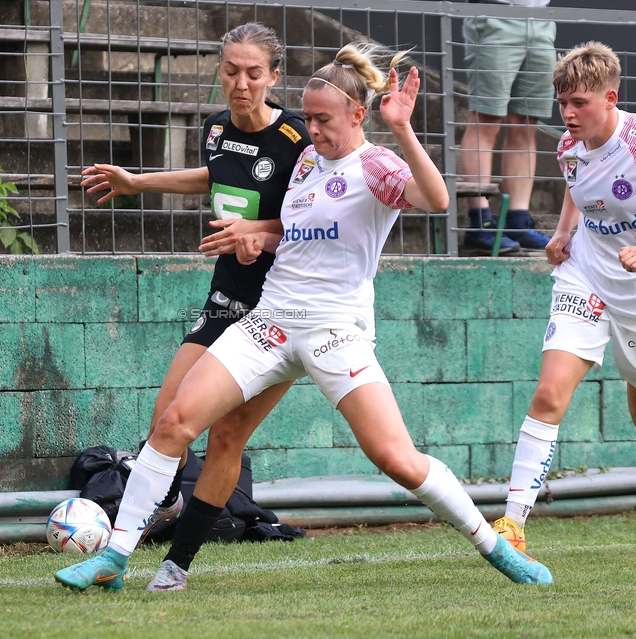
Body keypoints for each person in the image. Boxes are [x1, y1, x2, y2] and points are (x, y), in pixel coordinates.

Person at [56, 42, 554, 593]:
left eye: (323, 120)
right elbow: (294, 232)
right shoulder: (309, 161)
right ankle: (120, 558)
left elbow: (435, 199)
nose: (312, 130)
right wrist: (254, 236)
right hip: (271, 321)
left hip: (334, 331)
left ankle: (495, 545)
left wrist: (405, 130)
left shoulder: (377, 166)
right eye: (309, 118)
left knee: (397, 458)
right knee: (175, 423)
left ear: (359, 115)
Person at [79, 23, 312, 549]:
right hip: (224, 301)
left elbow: (318, 223)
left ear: (274, 76)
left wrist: (260, 234)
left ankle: (178, 545)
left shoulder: (298, 139)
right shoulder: (213, 128)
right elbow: (216, 174)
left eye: (254, 73)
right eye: (231, 71)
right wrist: (137, 182)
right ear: (218, 71)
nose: (242, 83)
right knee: (168, 419)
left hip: (277, 311)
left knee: (225, 436)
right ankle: (165, 504)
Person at [490, 42, 636, 556]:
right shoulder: (567, 146)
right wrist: (562, 233)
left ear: (609, 98)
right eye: (561, 103)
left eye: (578, 103)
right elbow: (578, 185)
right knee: (550, 393)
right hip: (586, 279)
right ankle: (512, 523)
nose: (568, 115)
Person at [458, 0, 556, 255]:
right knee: (486, 119)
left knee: (525, 123)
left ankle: (517, 221)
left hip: (540, 18)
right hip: (494, 12)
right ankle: (480, 224)